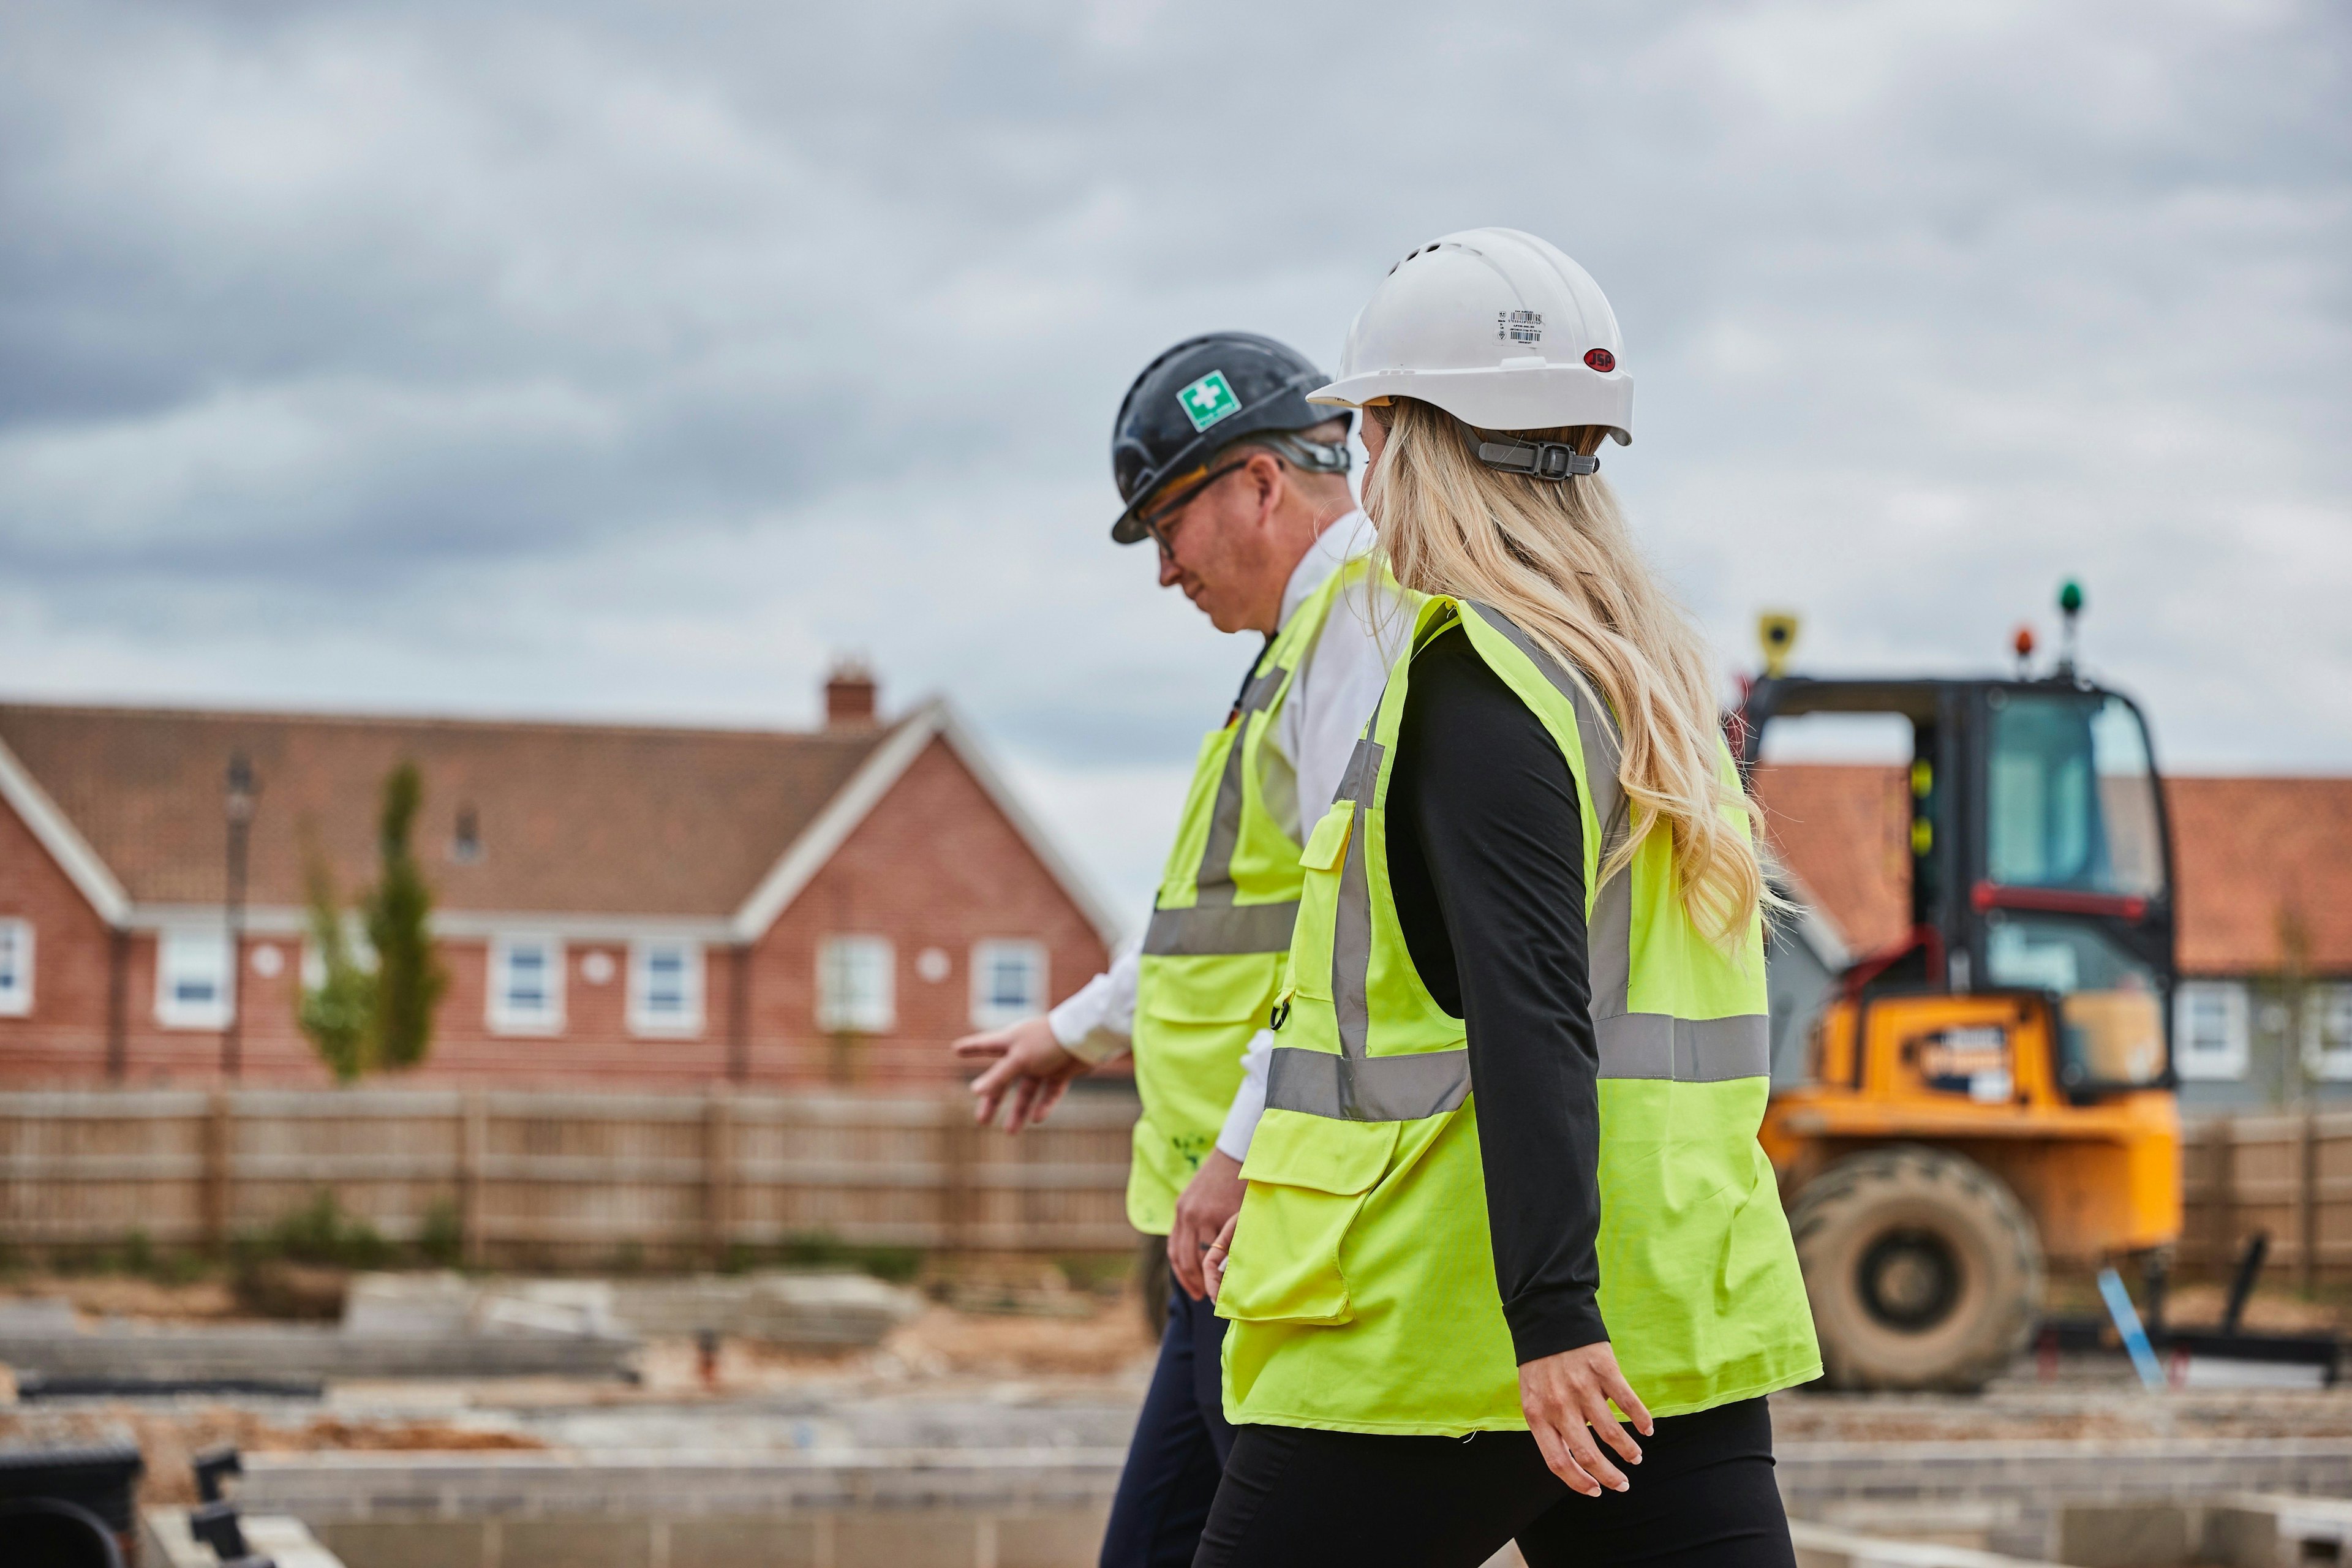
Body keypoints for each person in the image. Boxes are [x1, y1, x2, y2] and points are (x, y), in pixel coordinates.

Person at [1195, 229, 1823, 1568]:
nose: (1364, 482)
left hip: (1458, 1342)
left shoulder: (1481, 682)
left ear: (1416, 445)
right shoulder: (1657, 696)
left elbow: (1534, 1015)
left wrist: (1550, 1313)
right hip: (1671, 1318)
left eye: (1368, 437)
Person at [951, 333, 1414, 1568]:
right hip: (1229, 1223)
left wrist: (1244, 1149)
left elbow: (1354, 936)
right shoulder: (1295, 653)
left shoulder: (1357, 636)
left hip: (1272, 1215)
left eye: (1169, 528)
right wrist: (1078, 1030)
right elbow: (1212, 923)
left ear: (1261, 483)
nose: (1164, 573)